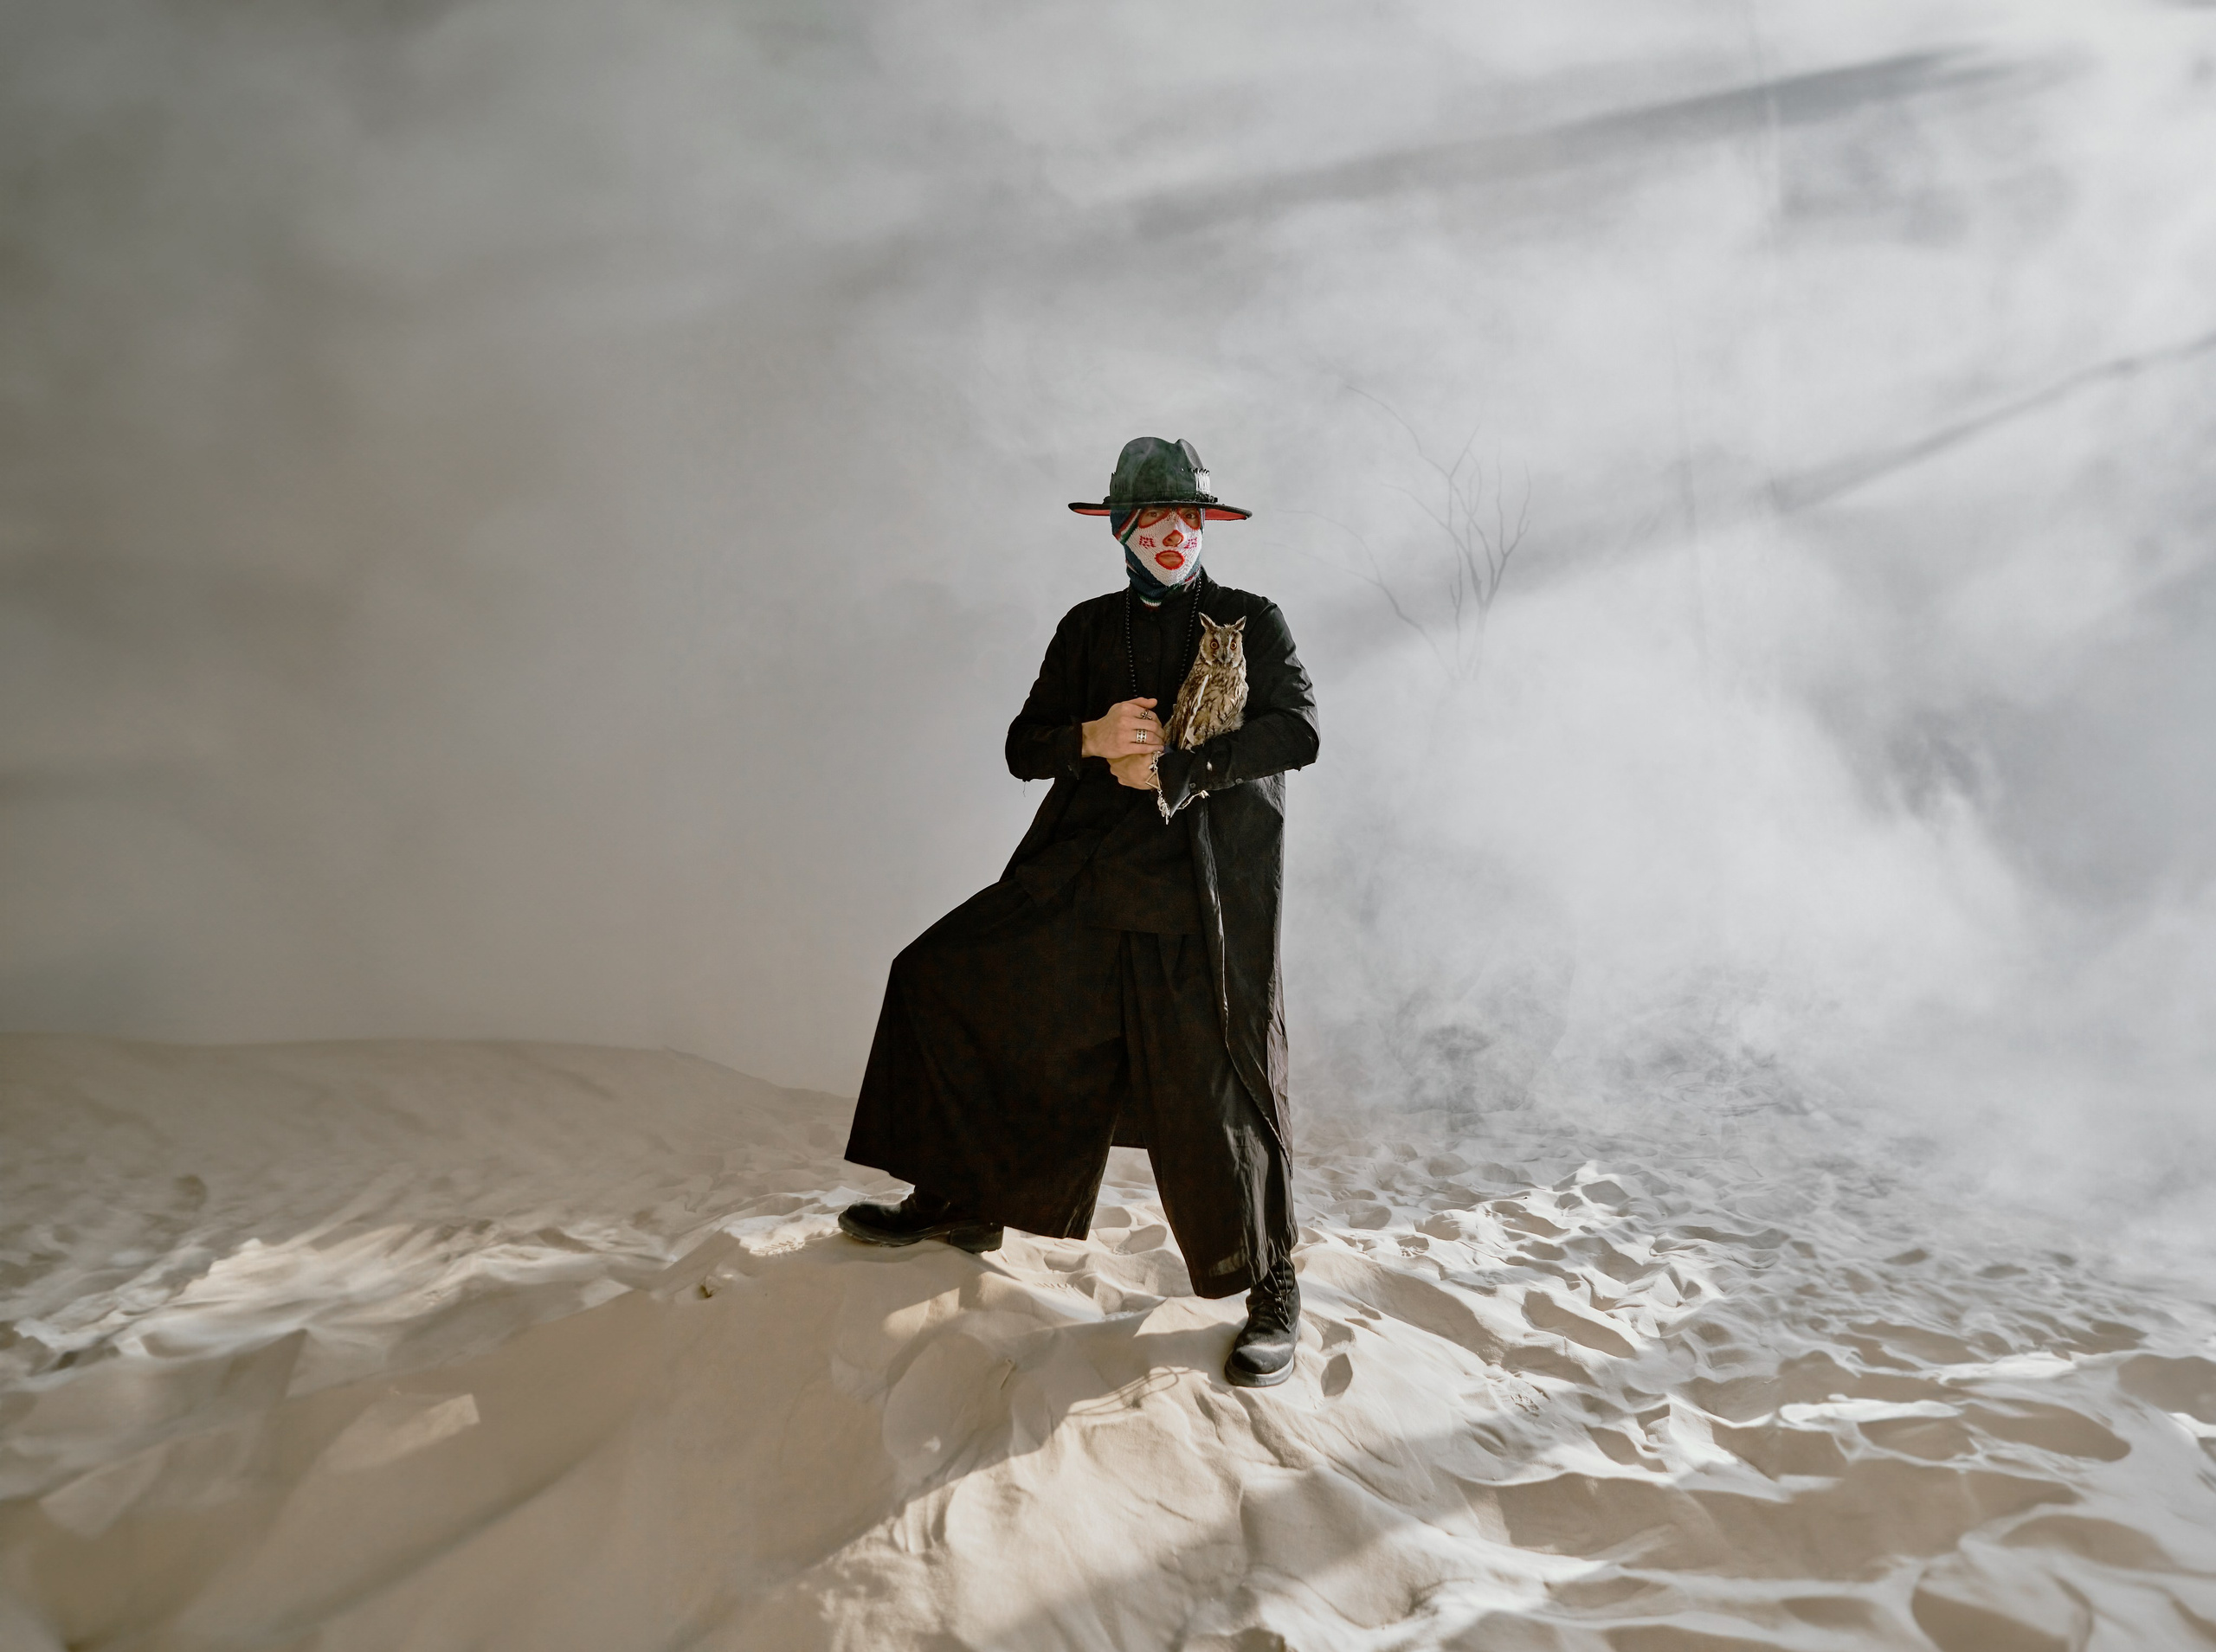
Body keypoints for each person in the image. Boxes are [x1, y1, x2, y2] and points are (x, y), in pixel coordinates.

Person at [839, 436, 1320, 1388]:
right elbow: (1024, 747)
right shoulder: (1087, 627)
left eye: (1187, 517)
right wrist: (1092, 740)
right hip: (1084, 872)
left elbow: (1297, 731)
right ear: (1118, 529)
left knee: (1214, 1081)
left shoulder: (1250, 619)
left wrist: (1180, 768)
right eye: (1151, 519)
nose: (1171, 535)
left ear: (1205, 525)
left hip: (1200, 889)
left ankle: (1272, 1283)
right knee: (947, 979)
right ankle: (961, 1199)